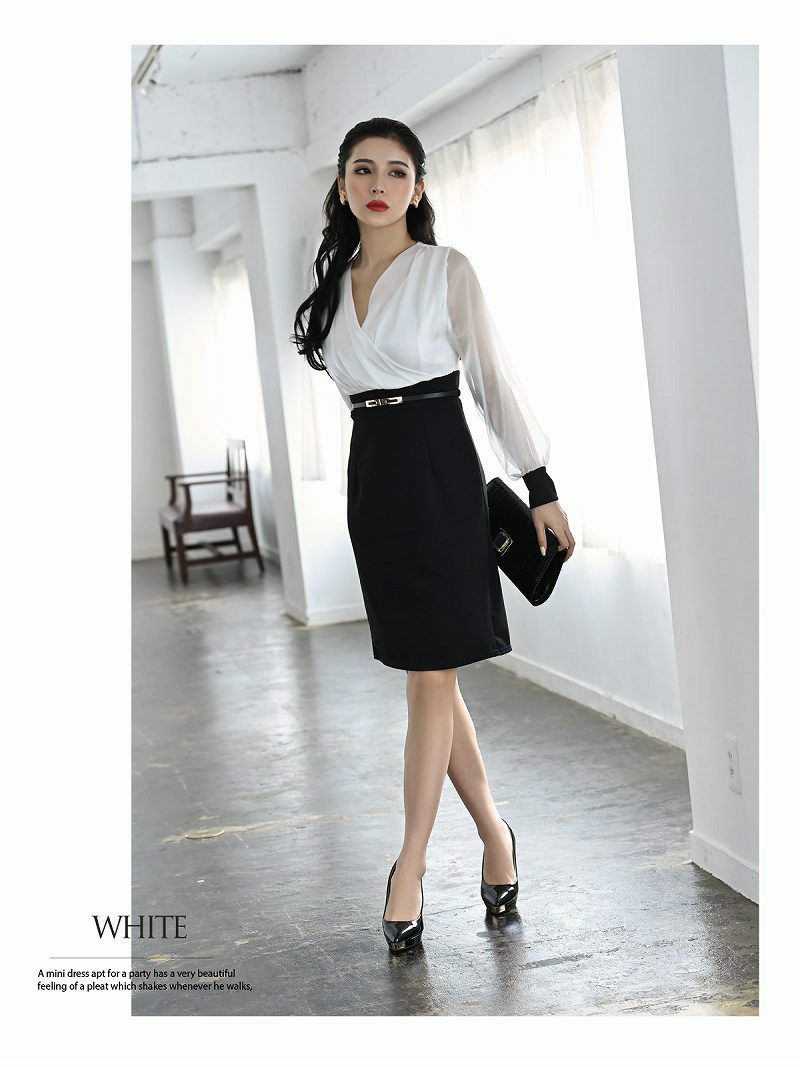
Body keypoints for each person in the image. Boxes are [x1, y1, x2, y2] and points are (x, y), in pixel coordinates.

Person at [292, 117, 575, 953]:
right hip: (374, 476)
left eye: (396, 171)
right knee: (432, 678)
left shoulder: (446, 269)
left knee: (427, 674)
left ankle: (409, 865)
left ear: (418, 186)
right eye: (362, 169)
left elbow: (492, 378)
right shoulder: (332, 281)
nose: (378, 184)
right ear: (342, 185)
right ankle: (494, 835)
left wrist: (541, 485)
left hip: (440, 468)